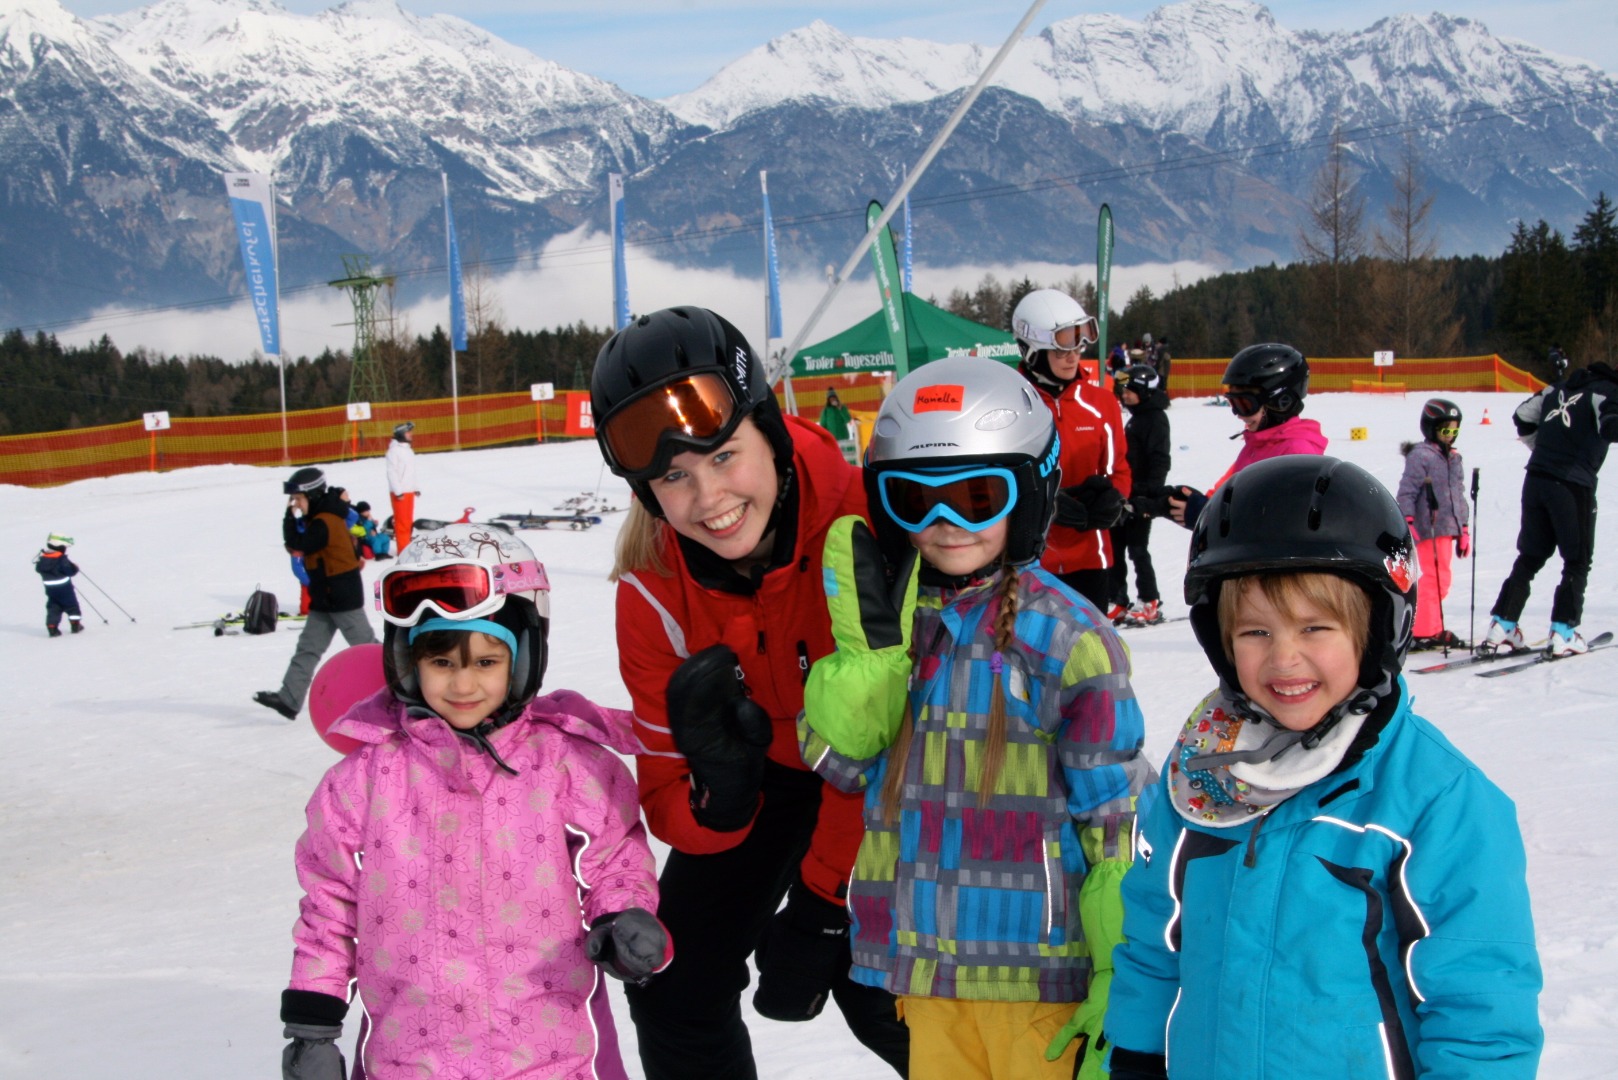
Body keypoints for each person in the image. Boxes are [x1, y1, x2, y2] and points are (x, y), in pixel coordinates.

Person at [1105, 455, 1544, 1079]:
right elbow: (1155, 937)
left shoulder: (1436, 800)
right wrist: (1137, 1052)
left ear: (1375, 629)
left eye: (1315, 627)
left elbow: (1480, 1007)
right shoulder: (1202, 776)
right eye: (1254, 632)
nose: (1285, 660)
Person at [799, 356, 1153, 1079]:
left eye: (977, 495)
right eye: (914, 499)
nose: (944, 522)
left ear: (1028, 495)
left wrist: (1125, 968)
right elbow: (838, 762)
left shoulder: (1068, 640)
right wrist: (870, 667)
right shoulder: (890, 630)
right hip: (926, 974)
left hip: (1039, 978)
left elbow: (1115, 813)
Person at [591, 307, 909, 1080]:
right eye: (673, 477)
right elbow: (663, 785)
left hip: (889, 780)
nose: (708, 499)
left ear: (768, 427)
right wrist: (716, 805)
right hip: (769, 781)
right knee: (674, 983)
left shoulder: (865, 526)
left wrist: (824, 907)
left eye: (725, 455)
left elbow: (893, 742)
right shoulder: (654, 592)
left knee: (879, 989)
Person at [279, 524, 668, 1080]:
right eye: (442, 663)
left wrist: (623, 914)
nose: (463, 684)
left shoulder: (563, 763)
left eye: (486, 662)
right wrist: (312, 1028)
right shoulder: (362, 781)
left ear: (524, 658)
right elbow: (329, 908)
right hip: (410, 1056)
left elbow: (614, 858)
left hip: (548, 1049)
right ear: (408, 661)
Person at [1480, 360, 1618, 657]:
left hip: (1536, 479)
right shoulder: (1608, 392)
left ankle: (1503, 624)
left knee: (1530, 556)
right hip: (1571, 486)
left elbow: (1522, 416)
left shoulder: (1559, 387)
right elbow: (1611, 427)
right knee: (1577, 560)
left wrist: (1543, 449)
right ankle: (1564, 630)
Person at [1010, 288, 1131, 613]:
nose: (1073, 356)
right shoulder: (1011, 403)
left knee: (1089, 658)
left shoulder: (1102, 403)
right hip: (1029, 560)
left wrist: (1113, 500)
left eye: (1079, 345)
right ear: (1032, 350)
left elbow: (1119, 469)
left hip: (1090, 557)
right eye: (1061, 348)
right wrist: (1043, 506)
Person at [254, 467, 377, 720]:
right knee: (308, 648)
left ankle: (406, 689)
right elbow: (297, 545)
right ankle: (289, 699)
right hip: (326, 598)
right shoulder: (320, 515)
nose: (296, 504)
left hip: (342, 597)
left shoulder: (324, 521)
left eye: (298, 499)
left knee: (368, 650)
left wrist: (289, 516)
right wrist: (292, 514)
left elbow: (297, 545)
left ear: (311, 494)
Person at [1158, 343, 1326, 529]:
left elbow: (1281, 524)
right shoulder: (1257, 445)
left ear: (1280, 402)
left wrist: (1210, 517)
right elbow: (1228, 492)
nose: (1238, 414)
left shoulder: (1297, 453)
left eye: (1245, 404)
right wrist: (1195, 502)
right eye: (1233, 403)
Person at [1397, 398, 1470, 649]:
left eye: (1454, 430)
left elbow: (1458, 494)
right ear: (1431, 428)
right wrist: (1408, 520)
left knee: (1443, 580)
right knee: (1428, 580)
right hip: (1426, 529)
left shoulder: (1454, 458)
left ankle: (1433, 626)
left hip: (1447, 529)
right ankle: (1423, 630)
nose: (1450, 436)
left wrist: (1464, 529)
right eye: (1445, 430)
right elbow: (1407, 491)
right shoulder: (1421, 456)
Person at [1108, 365, 1171, 625]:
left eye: (1131, 390)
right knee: (1115, 547)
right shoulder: (1137, 417)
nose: (1126, 395)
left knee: (1137, 549)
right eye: (1124, 390)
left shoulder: (1154, 418)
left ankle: (1149, 600)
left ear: (1146, 391)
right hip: (1126, 494)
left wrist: (1147, 494)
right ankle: (1117, 600)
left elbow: (1159, 459)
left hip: (1141, 496)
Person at [34, 532, 84, 636]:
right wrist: (75, 567)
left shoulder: (43, 558)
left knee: (53, 606)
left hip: (50, 589)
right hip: (64, 589)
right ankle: (75, 625)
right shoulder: (61, 559)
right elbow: (70, 571)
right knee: (72, 606)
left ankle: (52, 627)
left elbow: (38, 569)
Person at [386, 420, 419, 552]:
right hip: (400, 493)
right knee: (402, 523)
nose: (410, 435)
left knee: (408, 522)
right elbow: (392, 472)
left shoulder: (408, 450)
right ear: (401, 434)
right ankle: (403, 549)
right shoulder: (394, 451)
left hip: (409, 491)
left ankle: (406, 547)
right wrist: (398, 491)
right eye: (408, 432)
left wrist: (415, 487)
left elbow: (411, 472)